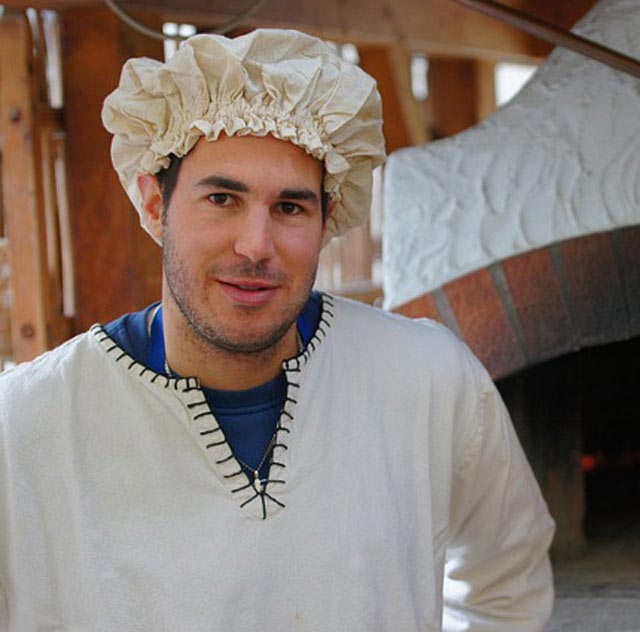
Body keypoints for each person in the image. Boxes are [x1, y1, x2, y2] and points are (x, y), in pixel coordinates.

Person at [0, 29, 554, 631]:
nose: (256, 245)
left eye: (290, 207)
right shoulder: (26, 427)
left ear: (327, 219)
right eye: (222, 199)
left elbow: (508, 584)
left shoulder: (428, 380)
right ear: (156, 206)